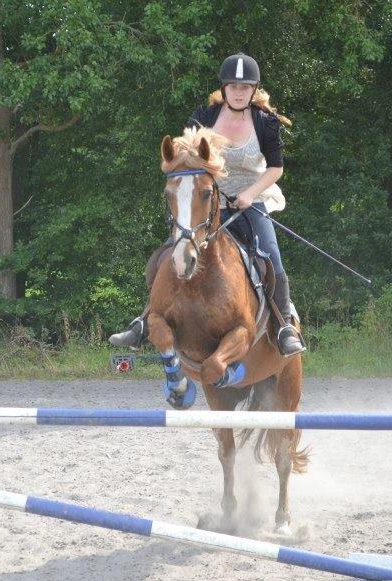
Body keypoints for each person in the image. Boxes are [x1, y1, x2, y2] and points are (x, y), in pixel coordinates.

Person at [109, 52, 306, 357]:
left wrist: (249, 194)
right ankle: (144, 321)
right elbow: (186, 158)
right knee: (169, 254)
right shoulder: (205, 116)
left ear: (253, 90)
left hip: (250, 201)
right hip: (206, 203)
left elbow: (276, 169)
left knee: (271, 257)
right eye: (233, 87)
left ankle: (284, 328)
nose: (239, 92)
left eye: (245, 87)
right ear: (224, 88)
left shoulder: (265, 123)